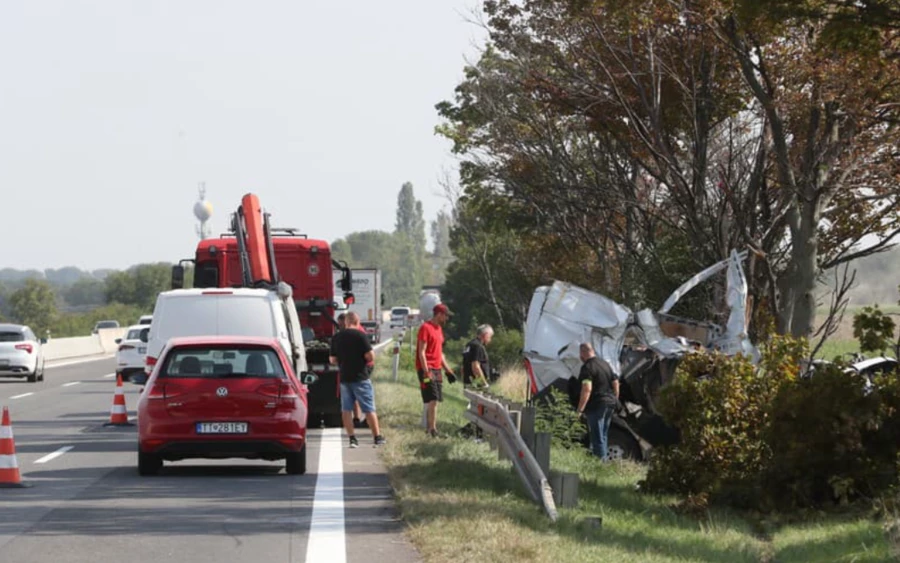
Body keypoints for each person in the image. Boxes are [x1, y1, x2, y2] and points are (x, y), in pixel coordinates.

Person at [330, 312, 385, 448]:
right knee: (369, 408)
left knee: (346, 409)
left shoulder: (336, 337)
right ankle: (377, 437)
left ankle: (352, 439)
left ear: (346, 322)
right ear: (357, 321)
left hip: (344, 378)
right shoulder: (361, 335)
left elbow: (332, 359)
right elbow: (370, 356)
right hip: (360, 377)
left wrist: (343, 360)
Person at [416, 303, 456, 438]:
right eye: (446, 316)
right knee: (432, 398)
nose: (447, 319)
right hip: (427, 368)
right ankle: (432, 430)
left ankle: (430, 428)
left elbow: (440, 353)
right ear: (439, 314)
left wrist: (448, 370)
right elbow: (421, 352)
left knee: (436, 399)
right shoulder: (425, 328)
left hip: (437, 368)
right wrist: (426, 371)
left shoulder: (439, 329)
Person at [575, 342, 619, 460]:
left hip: (597, 405)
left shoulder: (587, 367)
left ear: (582, 353)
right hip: (610, 403)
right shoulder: (605, 364)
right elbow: (615, 382)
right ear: (593, 351)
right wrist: (615, 398)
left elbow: (587, 389)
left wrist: (580, 409)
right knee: (603, 435)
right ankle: (602, 463)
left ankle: (600, 464)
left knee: (597, 436)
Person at [463, 324, 493, 388]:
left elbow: (463, 365)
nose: (490, 339)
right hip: (476, 383)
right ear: (486, 335)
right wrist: (484, 383)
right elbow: (475, 366)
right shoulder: (478, 346)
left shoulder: (469, 344)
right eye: (490, 336)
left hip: (468, 381)